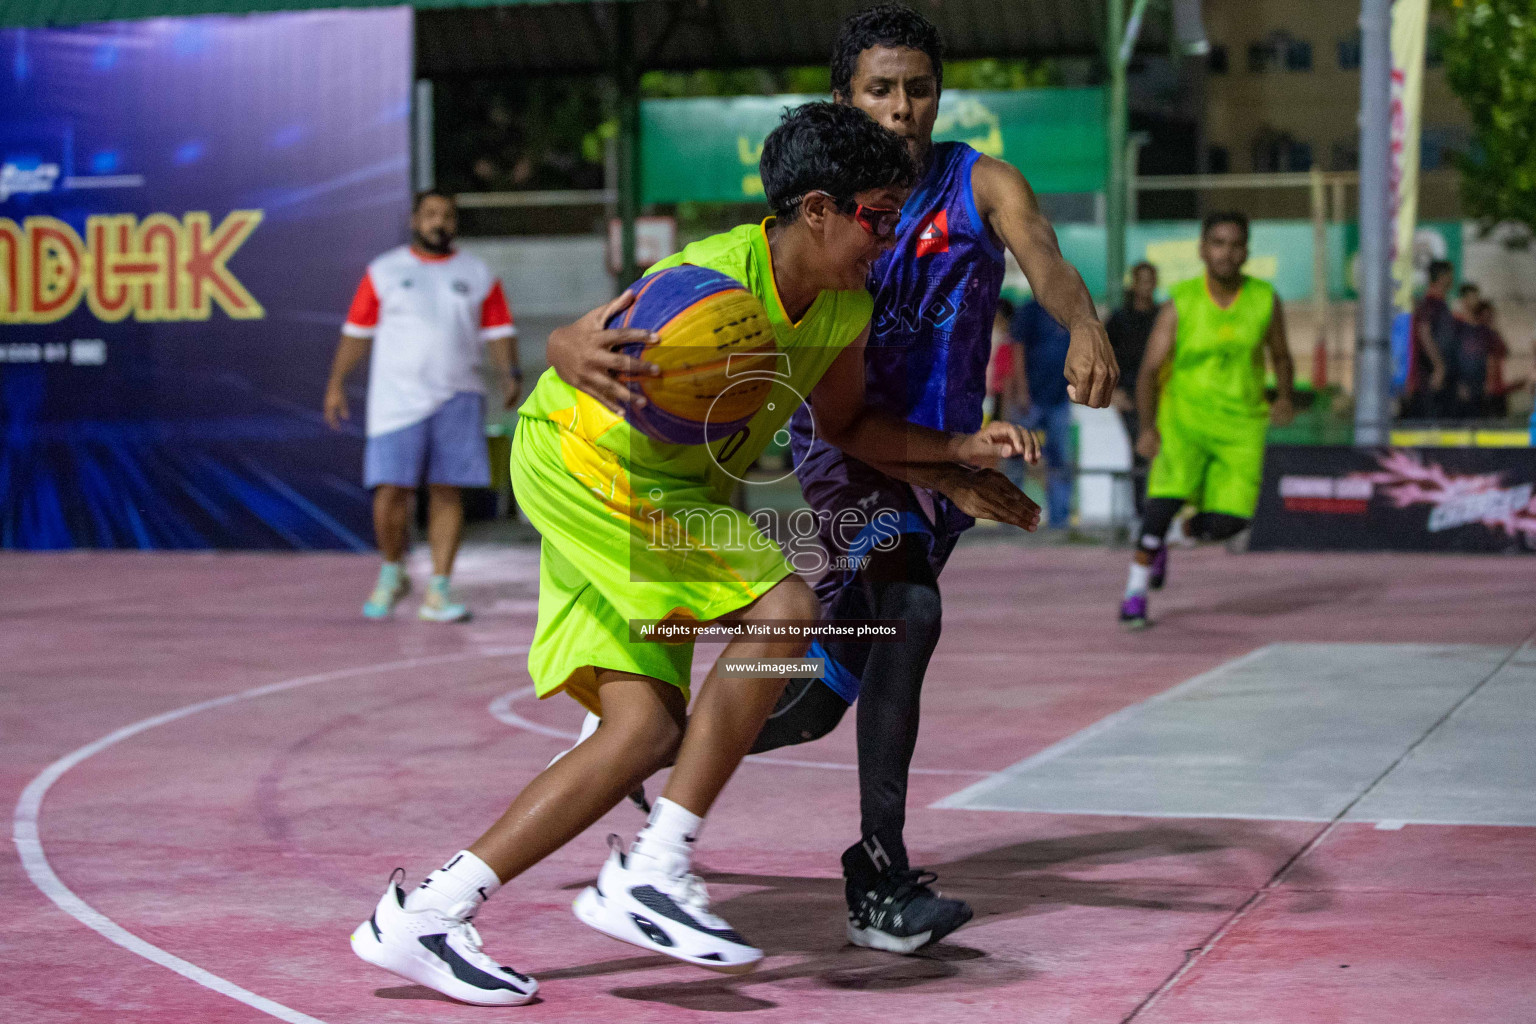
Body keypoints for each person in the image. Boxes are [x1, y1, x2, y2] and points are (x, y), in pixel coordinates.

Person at [351, 102, 1038, 1005]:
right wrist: (564, 343)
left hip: (647, 486)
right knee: (787, 608)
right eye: (876, 217)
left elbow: (847, 427)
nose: (889, 236)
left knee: (645, 733)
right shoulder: (709, 280)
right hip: (588, 460)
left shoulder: (843, 304)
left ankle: (426, 916)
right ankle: (655, 869)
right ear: (818, 209)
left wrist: (955, 455)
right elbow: (576, 343)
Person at [324, 191, 520, 622]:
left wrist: (510, 374)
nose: (439, 223)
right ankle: (393, 570)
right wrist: (337, 383)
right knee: (391, 491)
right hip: (396, 401)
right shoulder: (385, 271)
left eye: (447, 216)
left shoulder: (478, 273)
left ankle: (439, 589)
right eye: (431, 215)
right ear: (415, 220)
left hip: (459, 396)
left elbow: (500, 332)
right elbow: (357, 331)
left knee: (448, 491)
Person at [1118, 211, 1294, 629]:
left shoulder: (1265, 298)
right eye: (1218, 243)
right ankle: (1135, 593)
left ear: (1246, 251)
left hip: (1242, 426)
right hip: (1184, 421)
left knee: (1231, 522)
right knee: (1157, 510)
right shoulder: (1180, 303)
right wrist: (1147, 428)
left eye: (1235, 244)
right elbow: (1147, 371)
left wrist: (1284, 396)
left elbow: (1282, 355)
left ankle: (1172, 541)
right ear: (1202, 249)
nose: (1226, 252)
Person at [1009, 297, 1076, 529]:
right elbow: (1017, 350)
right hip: (1030, 399)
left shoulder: (1069, 310)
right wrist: (1022, 390)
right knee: (1015, 457)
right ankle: (1009, 517)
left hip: (1059, 399)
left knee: (1060, 461)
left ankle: (1060, 522)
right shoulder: (1030, 310)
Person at [1105, 261, 1160, 512]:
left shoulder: (1162, 317)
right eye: (1142, 280)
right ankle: (1141, 511)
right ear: (1134, 284)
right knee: (1139, 451)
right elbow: (1105, 354)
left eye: (1151, 280)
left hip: (1161, 395)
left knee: (1162, 454)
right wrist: (1114, 393)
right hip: (1130, 395)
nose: (1147, 286)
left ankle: (1161, 509)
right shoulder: (1120, 319)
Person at [1403, 260, 1452, 419]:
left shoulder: (1441, 305)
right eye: (1450, 275)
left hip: (1439, 381)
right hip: (1428, 381)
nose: (1452, 279)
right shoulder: (1429, 304)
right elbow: (1424, 333)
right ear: (1442, 277)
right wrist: (1439, 367)